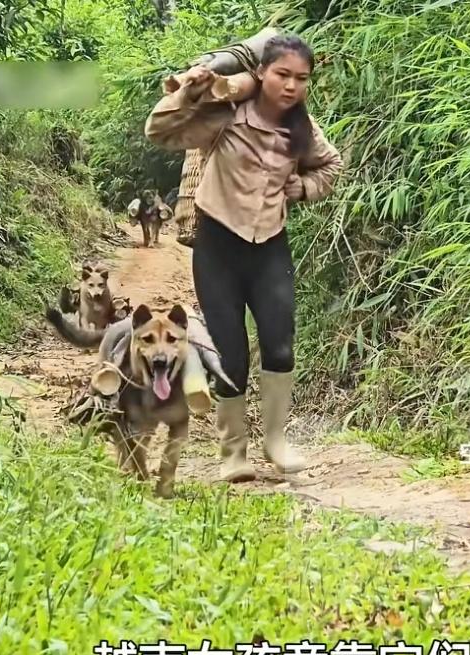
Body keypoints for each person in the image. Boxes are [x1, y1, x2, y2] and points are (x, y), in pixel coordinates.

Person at [144, 33, 343, 482]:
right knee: (230, 355)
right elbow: (159, 132)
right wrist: (191, 90)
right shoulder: (226, 115)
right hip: (218, 246)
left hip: (270, 245)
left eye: (301, 78)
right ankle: (233, 452)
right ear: (259, 74)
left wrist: (305, 188)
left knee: (280, 344)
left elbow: (330, 165)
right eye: (282, 74)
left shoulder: (303, 130)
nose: (291, 86)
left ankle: (276, 442)